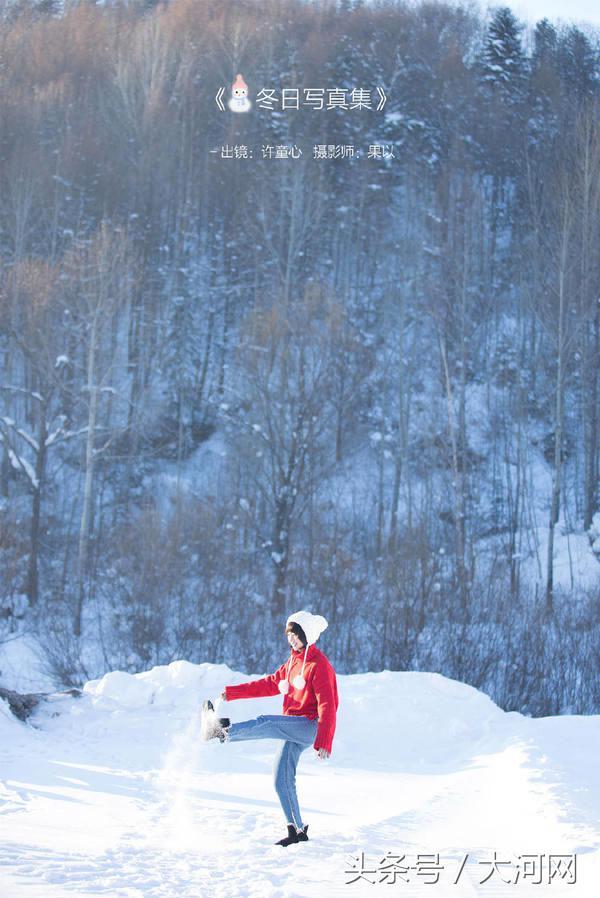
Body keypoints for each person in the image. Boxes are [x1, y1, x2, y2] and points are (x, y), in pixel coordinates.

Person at [200, 610, 339, 847]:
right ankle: (297, 831)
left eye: (297, 635)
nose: (292, 639)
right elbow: (270, 684)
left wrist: (324, 740)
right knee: (281, 779)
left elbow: (328, 703)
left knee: (267, 721)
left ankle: (222, 731)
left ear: (307, 635)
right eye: (289, 634)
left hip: (309, 725)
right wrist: (233, 693)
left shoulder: (319, 664)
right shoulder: (293, 662)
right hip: (292, 725)